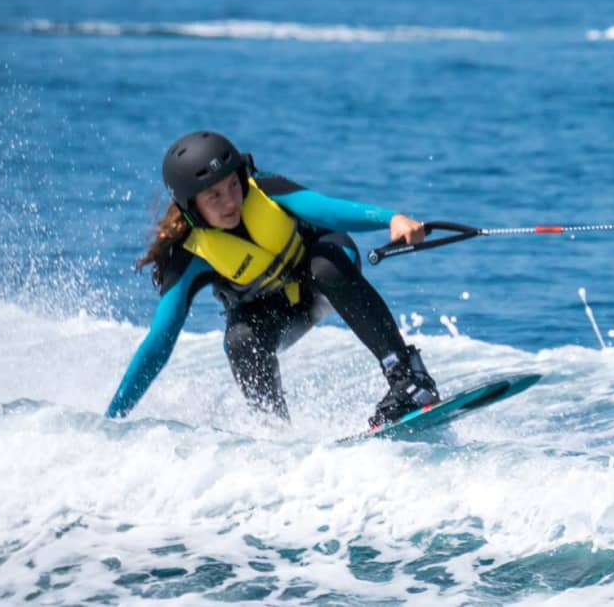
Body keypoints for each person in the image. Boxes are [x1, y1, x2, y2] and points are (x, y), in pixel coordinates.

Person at [105, 131, 441, 426]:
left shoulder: (264, 189)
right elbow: (159, 341)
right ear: (191, 206)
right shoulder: (190, 254)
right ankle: (274, 431)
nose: (230, 201)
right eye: (214, 196)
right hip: (276, 310)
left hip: (328, 274)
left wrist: (391, 219)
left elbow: (326, 208)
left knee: (325, 265)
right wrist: (112, 420)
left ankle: (409, 379)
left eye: (232, 185)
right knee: (239, 340)